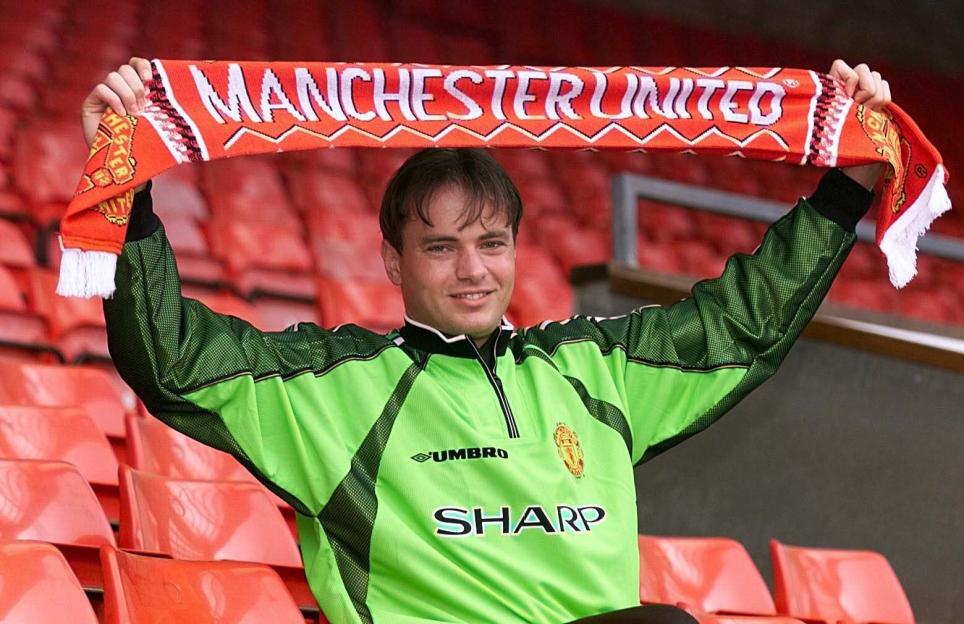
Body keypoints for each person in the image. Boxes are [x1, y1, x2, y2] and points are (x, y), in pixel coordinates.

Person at [91, 57, 890, 624]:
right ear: (394, 263)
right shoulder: (331, 388)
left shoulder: (594, 369)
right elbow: (173, 358)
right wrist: (128, 185)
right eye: (441, 248)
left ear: (515, 251)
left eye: (491, 243)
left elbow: (740, 325)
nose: (473, 271)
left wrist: (846, 191)